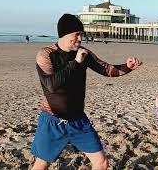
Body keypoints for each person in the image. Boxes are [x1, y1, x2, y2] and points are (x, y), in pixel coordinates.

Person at [31, 13, 142, 170]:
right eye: (76, 34)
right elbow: (51, 85)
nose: (80, 39)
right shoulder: (46, 54)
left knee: (102, 163)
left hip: (78, 121)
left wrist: (127, 67)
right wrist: (76, 63)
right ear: (64, 34)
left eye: (82, 35)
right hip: (53, 121)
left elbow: (107, 70)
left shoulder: (83, 53)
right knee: (41, 165)